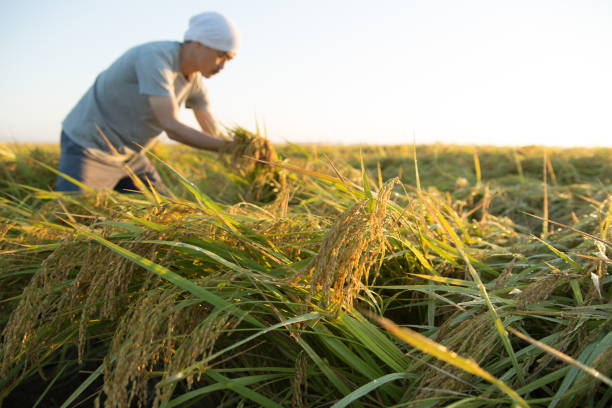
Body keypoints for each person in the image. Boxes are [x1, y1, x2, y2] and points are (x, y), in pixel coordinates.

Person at [56, 11, 239, 193]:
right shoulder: (155, 58)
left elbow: (213, 133)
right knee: (72, 215)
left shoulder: (195, 82)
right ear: (199, 44)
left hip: (131, 156)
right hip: (89, 148)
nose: (222, 66)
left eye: (228, 60)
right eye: (221, 56)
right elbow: (172, 127)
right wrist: (229, 149)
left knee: (168, 214)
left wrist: (243, 149)